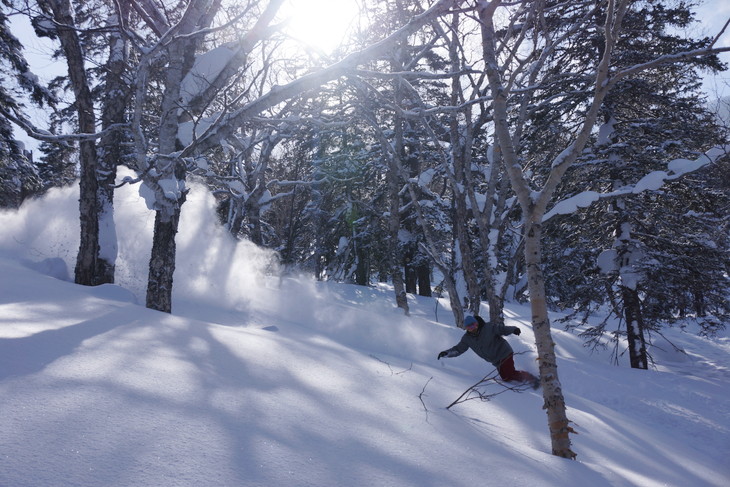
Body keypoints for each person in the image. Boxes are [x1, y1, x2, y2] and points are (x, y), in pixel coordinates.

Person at [438, 315, 540, 388]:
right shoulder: (467, 339)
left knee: (509, 375)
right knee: (506, 377)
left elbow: (502, 329)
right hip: (495, 360)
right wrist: (447, 353)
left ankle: (532, 379)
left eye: (474, 325)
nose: (472, 328)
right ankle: (526, 379)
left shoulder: (488, 327)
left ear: (477, 323)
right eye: (469, 327)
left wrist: (513, 329)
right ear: (466, 328)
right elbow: (458, 349)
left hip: (504, 352)